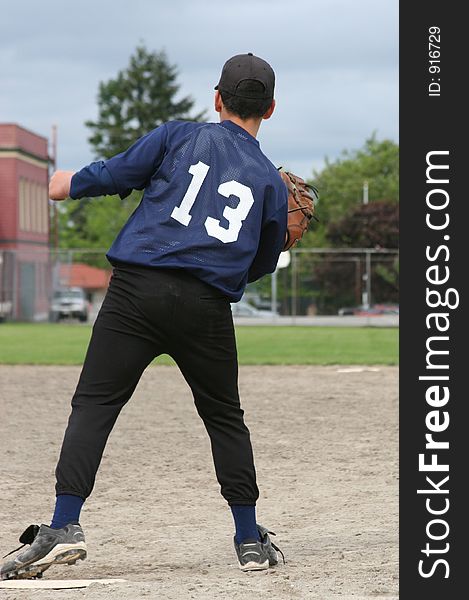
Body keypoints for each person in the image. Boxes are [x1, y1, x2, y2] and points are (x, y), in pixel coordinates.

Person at [1, 52, 287, 579]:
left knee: (95, 404)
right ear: (269, 110)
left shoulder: (181, 136)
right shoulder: (271, 183)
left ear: (217, 98)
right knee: (224, 416)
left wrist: (68, 183)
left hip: (136, 292)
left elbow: (118, 173)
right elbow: (261, 264)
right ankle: (249, 539)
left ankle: (66, 523)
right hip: (205, 306)